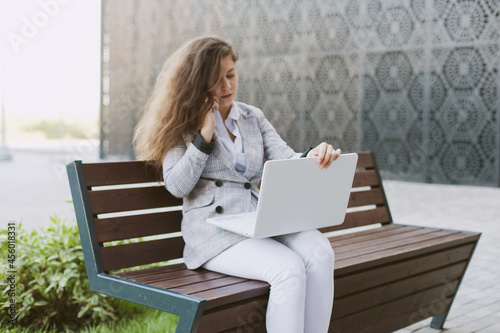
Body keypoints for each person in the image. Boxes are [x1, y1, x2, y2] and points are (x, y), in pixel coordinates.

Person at [133, 36, 341, 333]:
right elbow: (177, 185)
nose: (227, 87)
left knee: (321, 251)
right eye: (216, 80)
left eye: (231, 75)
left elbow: (285, 158)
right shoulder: (181, 122)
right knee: (289, 269)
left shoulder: (252, 117)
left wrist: (314, 155)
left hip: (259, 221)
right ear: (197, 82)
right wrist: (203, 137)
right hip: (213, 233)